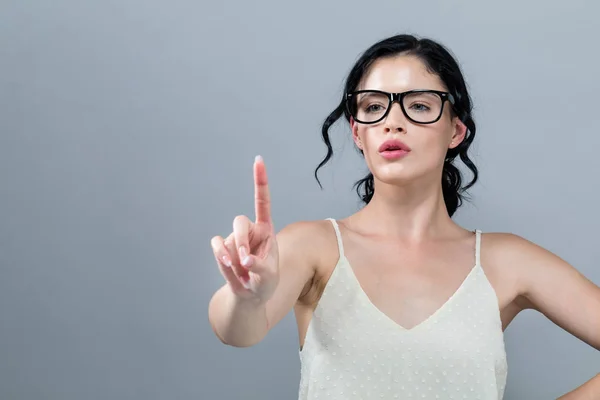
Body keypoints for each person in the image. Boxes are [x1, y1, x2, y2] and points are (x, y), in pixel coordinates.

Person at [208, 34, 600, 399]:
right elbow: (238, 333)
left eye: (419, 106)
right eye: (374, 106)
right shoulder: (315, 246)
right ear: (358, 133)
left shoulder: (507, 261)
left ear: (455, 131)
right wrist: (246, 299)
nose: (392, 121)